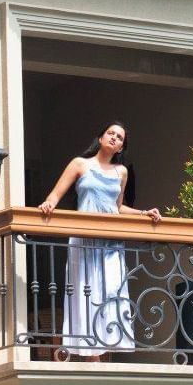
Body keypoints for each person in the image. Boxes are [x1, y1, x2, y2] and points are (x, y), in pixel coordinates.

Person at [37, 122, 161, 360]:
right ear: (101, 137)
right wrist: (49, 204)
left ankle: (101, 354)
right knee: (86, 290)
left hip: (111, 243)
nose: (114, 138)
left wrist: (143, 213)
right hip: (84, 241)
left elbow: (116, 207)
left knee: (110, 291)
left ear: (122, 146)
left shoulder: (121, 172)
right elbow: (55, 194)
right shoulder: (80, 164)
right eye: (111, 133)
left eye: (120, 137)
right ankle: (90, 356)